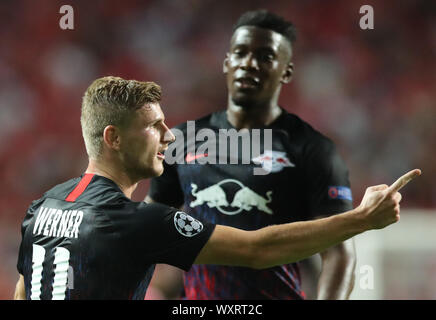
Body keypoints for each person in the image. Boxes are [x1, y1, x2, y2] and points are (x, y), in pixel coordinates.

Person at [14, 76, 419, 300]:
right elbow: (258, 249)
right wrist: (361, 219)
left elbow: (23, 292)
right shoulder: (131, 221)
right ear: (113, 138)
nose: (168, 136)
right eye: (152, 126)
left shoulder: (42, 207)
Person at [146, 10, 378, 299]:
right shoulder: (182, 140)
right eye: (240, 53)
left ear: (287, 71)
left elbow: (339, 254)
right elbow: (149, 232)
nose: (249, 64)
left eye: (265, 57)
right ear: (226, 62)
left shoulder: (313, 149)